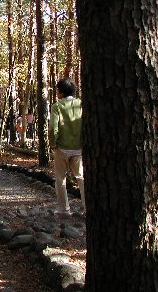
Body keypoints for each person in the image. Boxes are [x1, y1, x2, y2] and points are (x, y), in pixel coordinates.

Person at [49, 78, 85, 215]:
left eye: (58, 90)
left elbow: (53, 128)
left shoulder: (57, 106)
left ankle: (64, 209)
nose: (57, 92)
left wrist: (53, 143)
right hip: (78, 147)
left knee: (60, 178)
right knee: (81, 177)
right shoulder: (80, 104)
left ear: (62, 92)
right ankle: (87, 207)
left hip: (62, 148)